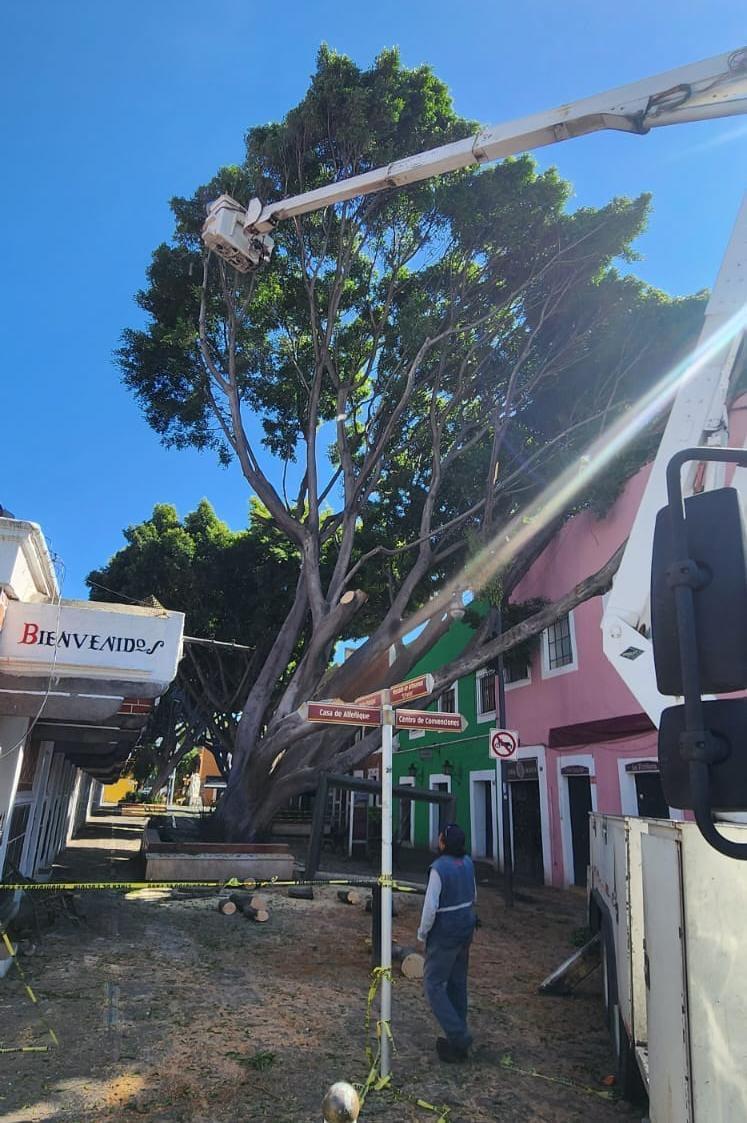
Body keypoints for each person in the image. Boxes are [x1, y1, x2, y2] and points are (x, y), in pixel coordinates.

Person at [417, 822, 477, 1062]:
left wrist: (422, 932)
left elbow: (430, 907)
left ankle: (459, 1035)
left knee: (433, 984)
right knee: (457, 982)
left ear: (443, 842)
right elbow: (474, 895)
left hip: (445, 933)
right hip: (466, 929)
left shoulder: (438, 869)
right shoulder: (469, 863)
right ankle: (457, 1043)